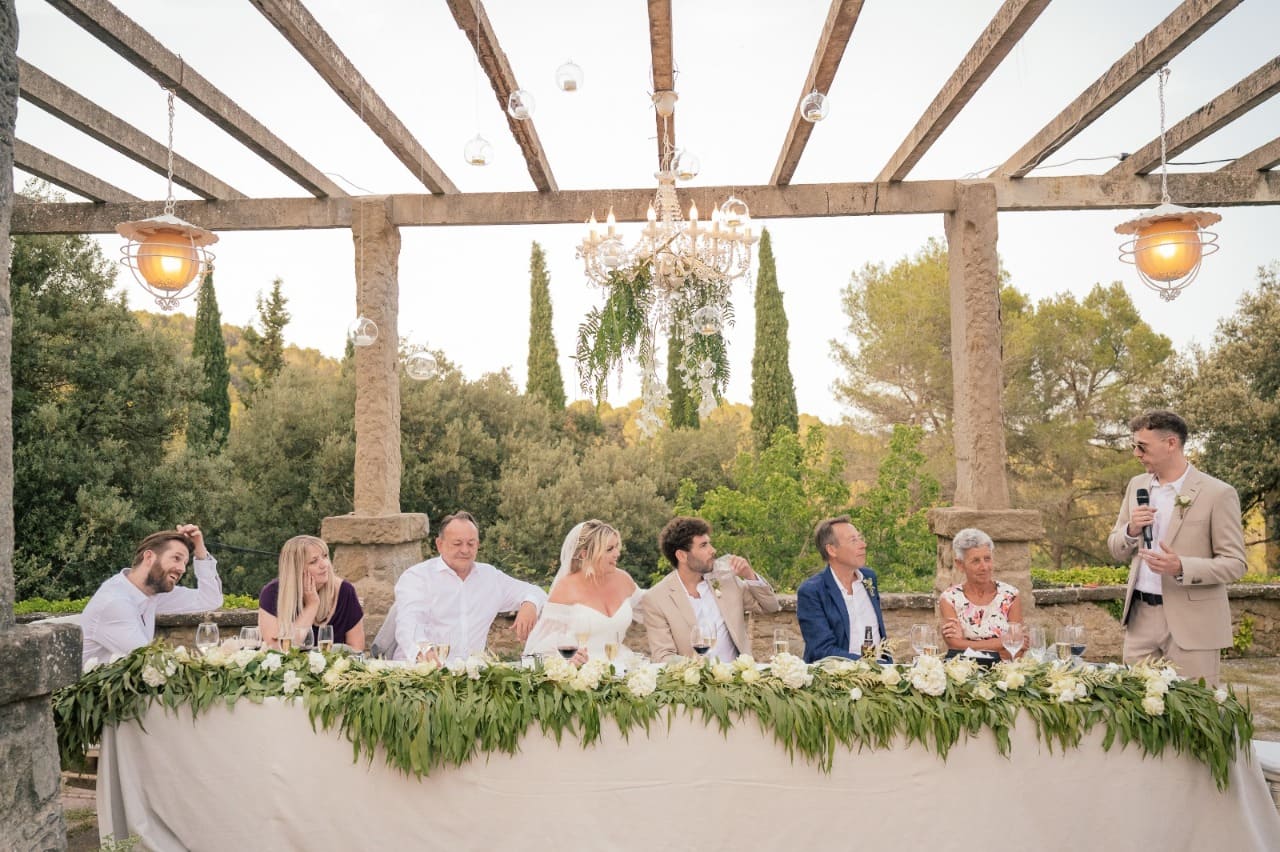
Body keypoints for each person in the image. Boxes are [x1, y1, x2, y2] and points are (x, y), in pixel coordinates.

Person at [1108, 410, 1246, 683]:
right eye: (1134, 446)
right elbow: (1115, 548)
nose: (1136, 453)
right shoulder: (1137, 486)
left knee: (1196, 716)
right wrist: (1131, 530)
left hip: (1193, 624)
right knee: (1138, 712)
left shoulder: (1217, 493)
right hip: (1140, 621)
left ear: (1171, 443)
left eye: (1142, 446)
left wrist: (1182, 566)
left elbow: (1235, 564)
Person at [393, 511, 547, 662]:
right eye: (457, 544)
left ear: (478, 545)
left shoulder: (490, 577)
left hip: (471, 678)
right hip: (420, 674)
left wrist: (529, 604)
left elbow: (535, 591)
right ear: (439, 545)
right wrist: (425, 653)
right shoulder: (417, 577)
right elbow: (409, 624)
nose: (465, 550)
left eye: (471, 544)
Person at [80, 524, 223, 667]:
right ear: (149, 557)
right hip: (87, 687)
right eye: (176, 558)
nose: (182, 569)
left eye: (185, 563)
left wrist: (200, 550)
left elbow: (210, 600)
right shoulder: (115, 602)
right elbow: (153, 663)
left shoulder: (151, 592)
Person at [644, 517, 779, 662]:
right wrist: (701, 671)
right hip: (694, 682)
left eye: (709, 544)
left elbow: (770, 606)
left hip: (737, 679)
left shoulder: (726, 579)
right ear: (682, 555)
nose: (713, 550)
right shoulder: (657, 598)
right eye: (703, 546)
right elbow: (663, 656)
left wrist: (749, 574)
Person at [522, 520, 644, 663]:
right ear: (585, 554)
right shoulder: (566, 588)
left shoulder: (624, 579)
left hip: (620, 668)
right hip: (580, 676)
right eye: (609, 549)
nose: (617, 553)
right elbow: (539, 648)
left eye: (617, 546)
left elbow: (653, 607)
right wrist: (565, 659)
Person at [797, 516, 888, 663]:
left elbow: (879, 634)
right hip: (835, 680)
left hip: (880, 678)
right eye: (854, 540)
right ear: (832, 550)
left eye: (860, 538)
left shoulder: (869, 578)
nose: (863, 545)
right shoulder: (812, 591)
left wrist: (887, 667)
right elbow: (822, 650)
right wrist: (870, 665)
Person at [258, 535, 365, 651]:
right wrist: (312, 605)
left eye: (325, 556)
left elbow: (357, 650)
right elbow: (278, 651)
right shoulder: (272, 593)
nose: (324, 565)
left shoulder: (344, 591)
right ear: (296, 569)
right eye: (314, 561)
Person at [939, 528, 1023, 659]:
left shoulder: (1010, 595)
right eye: (976, 561)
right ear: (960, 564)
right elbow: (954, 646)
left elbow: (1017, 650)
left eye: (987, 559)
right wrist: (1002, 643)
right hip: (965, 674)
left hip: (1006, 673)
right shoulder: (950, 598)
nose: (984, 567)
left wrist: (965, 644)